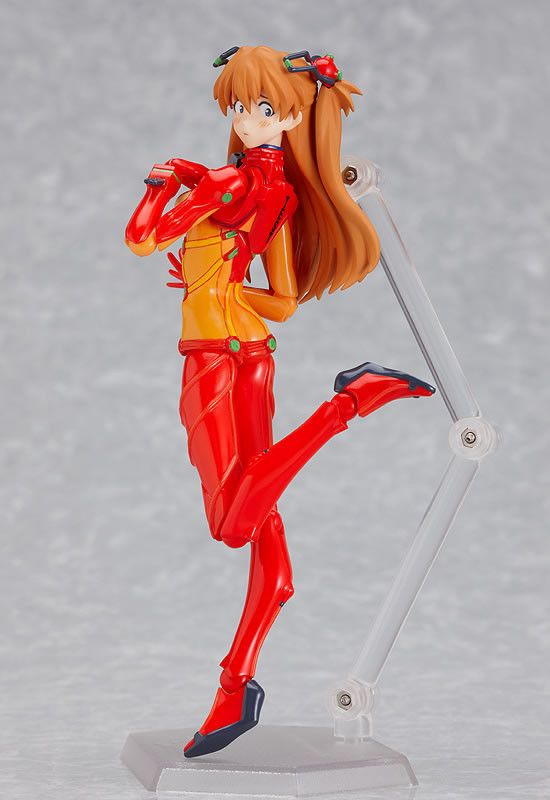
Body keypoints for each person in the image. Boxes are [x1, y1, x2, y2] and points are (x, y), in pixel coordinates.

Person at [125, 45, 435, 758]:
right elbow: (283, 303)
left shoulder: (228, 181)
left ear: (294, 116)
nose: (246, 119)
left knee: (232, 525)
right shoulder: (281, 195)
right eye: (239, 106)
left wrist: (158, 184)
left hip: (213, 361)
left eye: (263, 107)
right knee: (263, 531)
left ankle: (346, 406)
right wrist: (228, 287)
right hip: (255, 356)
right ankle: (235, 684)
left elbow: (141, 239)